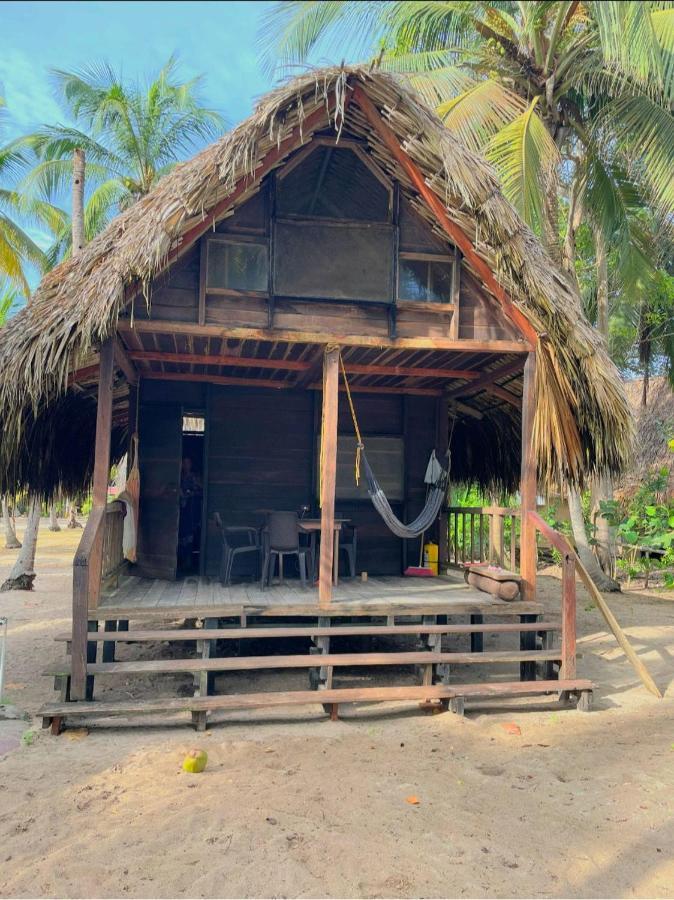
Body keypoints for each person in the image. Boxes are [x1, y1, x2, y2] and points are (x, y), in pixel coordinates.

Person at [178, 457, 202, 572]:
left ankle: (188, 561)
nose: (185, 465)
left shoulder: (194, 477)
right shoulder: (178, 475)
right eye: (184, 463)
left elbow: (201, 491)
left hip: (191, 509)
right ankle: (181, 561)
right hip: (180, 510)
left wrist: (189, 494)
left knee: (189, 535)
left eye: (188, 462)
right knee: (181, 535)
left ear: (191, 464)